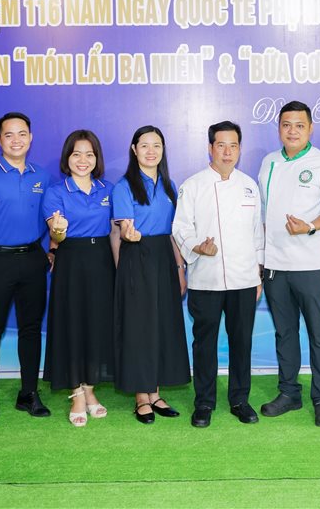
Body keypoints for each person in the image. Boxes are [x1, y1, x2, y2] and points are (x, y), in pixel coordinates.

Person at [257, 100, 320, 427]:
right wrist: (260, 260)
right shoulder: (269, 162)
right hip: (275, 266)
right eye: (286, 125)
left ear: (310, 128)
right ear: (278, 128)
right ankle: (289, 393)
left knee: (319, 334)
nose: (292, 131)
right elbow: (262, 214)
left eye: (299, 125)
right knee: (285, 333)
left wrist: (309, 226)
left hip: (311, 265)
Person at [172, 121, 264, 428]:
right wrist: (198, 247)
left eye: (233, 145)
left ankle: (240, 400)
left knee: (242, 341)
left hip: (244, 279)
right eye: (221, 145)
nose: (227, 152)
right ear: (210, 148)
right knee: (204, 343)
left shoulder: (249, 186)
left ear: (240, 149)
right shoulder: (193, 185)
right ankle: (204, 402)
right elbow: (180, 227)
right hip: (206, 278)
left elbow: (258, 234)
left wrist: (258, 273)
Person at [0, 112, 52, 428]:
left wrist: (53, 248)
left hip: (32, 259)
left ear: (31, 137)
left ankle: (29, 393)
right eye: (9, 134)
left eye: (22, 133)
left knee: (31, 329)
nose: (16, 140)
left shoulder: (42, 176)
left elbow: (50, 220)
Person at [111, 125, 190, 424]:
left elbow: (174, 233)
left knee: (162, 325)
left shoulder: (170, 186)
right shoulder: (124, 186)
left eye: (156, 145)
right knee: (139, 327)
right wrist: (129, 235)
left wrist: (180, 268)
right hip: (137, 256)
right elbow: (123, 230)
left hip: (164, 258)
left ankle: (155, 393)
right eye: (144, 145)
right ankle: (140, 397)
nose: (151, 151)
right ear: (134, 150)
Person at [41, 129, 117, 428]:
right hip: (71, 261)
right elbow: (56, 235)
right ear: (67, 158)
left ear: (97, 158)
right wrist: (58, 230)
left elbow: (115, 232)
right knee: (72, 326)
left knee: (97, 326)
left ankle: (90, 389)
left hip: (102, 263)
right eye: (76, 154)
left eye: (89, 154)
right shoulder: (55, 192)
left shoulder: (108, 189)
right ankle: (76, 394)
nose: (83, 160)